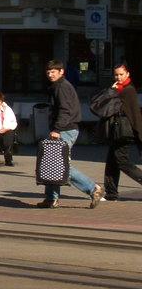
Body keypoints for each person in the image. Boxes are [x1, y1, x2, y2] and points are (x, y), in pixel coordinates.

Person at [38, 59, 103, 208]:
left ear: (61, 72)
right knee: (53, 163)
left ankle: (93, 189)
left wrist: (57, 129)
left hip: (65, 129)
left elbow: (65, 110)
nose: (50, 75)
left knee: (61, 164)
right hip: (64, 128)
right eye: (48, 72)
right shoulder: (59, 86)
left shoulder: (62, 87)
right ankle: (51, 198)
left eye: (53, 72)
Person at [102, 62, 142, 201]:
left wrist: (139, 135)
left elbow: (134, 114)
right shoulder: (118, 89)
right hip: (116, 132)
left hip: (123, 133)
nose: (118, 77)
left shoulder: (127, 90)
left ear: (127, 74)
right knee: (112, 162)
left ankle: (111, 193)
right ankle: (111, 194)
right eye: (116, 75)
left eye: (121, 74)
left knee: (121, 161)